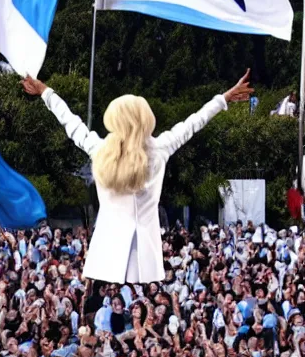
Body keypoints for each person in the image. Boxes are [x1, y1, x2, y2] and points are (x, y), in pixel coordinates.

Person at [21, 71, 253, 284]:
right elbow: (193, 123)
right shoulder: (160, 149)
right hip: (146, 257)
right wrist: (223, 99)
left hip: (108, 255)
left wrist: (45, 92)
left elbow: (72, 123)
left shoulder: (100, 150)